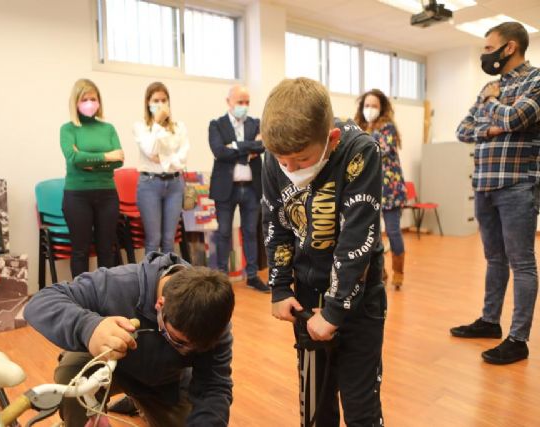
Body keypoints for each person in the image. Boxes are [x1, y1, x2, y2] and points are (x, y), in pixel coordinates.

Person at [261, 77, 386, 426]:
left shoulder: (360, 151)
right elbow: (276, 225)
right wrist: (281, 288)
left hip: (358, 297)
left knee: (360, 404)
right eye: (282, 160)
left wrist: (333, 312)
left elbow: (356, 240)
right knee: (315, 403)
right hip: (306, 292)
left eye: (301, 159)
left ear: (330, 139)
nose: (290, 168)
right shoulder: (272, 159)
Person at [24, 252, 234, 427]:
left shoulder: (215, 324)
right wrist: (89, 327)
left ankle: (138, 400)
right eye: (178, 342)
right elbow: (40, 302)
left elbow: (214, 386)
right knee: (72, 374)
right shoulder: (116, 284)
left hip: (163, 382)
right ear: (160, 305)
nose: (185, 352)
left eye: (196, 349)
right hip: (106, 367)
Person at [451, 21, 540, 365]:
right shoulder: (492, 86)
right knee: (494, 259)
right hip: (484, 183)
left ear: (511, 47)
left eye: (489, 48)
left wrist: (493, 110)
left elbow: (517, 118)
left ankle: (518, 339)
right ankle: (490, 322)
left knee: (522, 263)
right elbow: (463, 129)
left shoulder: (536, 81)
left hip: (518, 183)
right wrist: (494, 121)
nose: (484, 55)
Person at [60, 78, 125, 278]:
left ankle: (109, 294)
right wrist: (105, 157)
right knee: (80, 250)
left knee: (107, 250)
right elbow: (74, 158)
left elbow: (120, 160)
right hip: (77, 196)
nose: (89, 103)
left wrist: (89, 161)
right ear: (76, 102)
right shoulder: (68, 129)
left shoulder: (108, 128)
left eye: (93, 98)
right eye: (84, 99)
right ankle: (81, 296)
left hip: (107, 194)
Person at [208, 85, 268, 292]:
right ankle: (222, 277)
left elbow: (263, 146)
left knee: (251, 231)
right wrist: (248, 149)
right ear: (229, 102)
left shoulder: (256, 123)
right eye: (239, 102)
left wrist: (234, 146)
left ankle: (252, 276)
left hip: (252, 187)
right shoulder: (216, 125)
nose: (244, 106)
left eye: (247, 102)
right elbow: (219, 152)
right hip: (226, 188)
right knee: (224, 232)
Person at [354, 89, 407, 290]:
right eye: (367, 105)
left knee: (393, 231)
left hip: (390, 188)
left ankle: (399, 272)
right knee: (372, 234)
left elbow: (377, 149)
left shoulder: (387, 128)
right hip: (368, 189)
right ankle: (380, 272)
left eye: (374, 106)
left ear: (382, 108)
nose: (370, 109)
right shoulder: (357, 127)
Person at [134, 82, 190, 255]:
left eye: (164, 100)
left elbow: (182, 158)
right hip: (150, 184)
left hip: (174, 184)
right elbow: (150, 150)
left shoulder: (179, 127)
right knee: (153, 239)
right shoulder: (141, 126)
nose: (160, 104)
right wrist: (157, 123)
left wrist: (163, 158)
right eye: (156, 100)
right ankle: (150, 281)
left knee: (168, 240)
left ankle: (166, 281)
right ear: (148, 103)